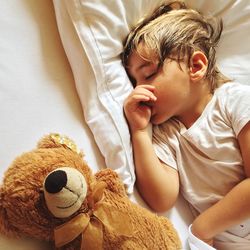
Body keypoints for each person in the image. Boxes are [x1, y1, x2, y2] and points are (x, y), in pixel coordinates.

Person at [122, 1, 250, 249]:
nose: (140, 88)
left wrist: (204, 228)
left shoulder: (234, 101)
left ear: (196, 67)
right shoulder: (166, 133)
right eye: (134, 81)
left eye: (148, 75)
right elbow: (162, 198)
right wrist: (139, 131)